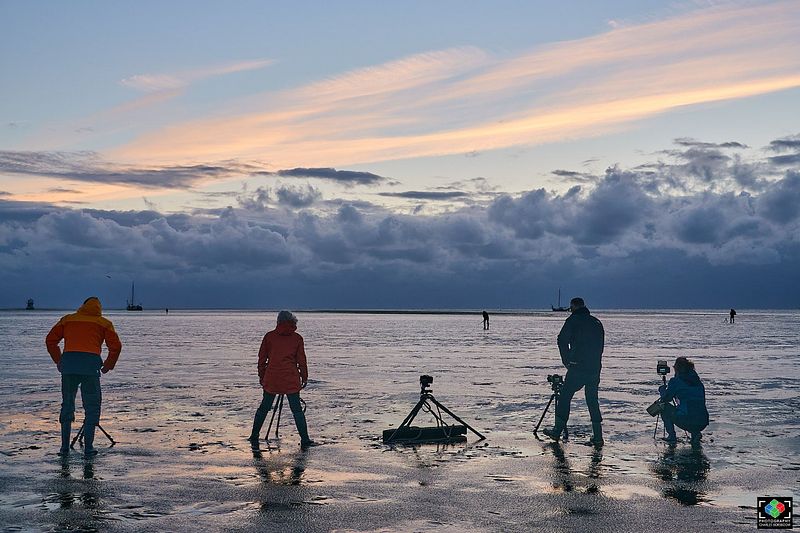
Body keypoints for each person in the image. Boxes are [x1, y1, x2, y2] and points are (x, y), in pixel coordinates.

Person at [45, 297, 122, 457]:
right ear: (99, 308)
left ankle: (64, 448)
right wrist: (108, 365)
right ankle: (88, 448)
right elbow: (116, 347)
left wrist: (59, 360)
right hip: (90, 368)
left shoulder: (68, 320)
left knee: (67, 405)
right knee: (92, 407)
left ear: (82, 306)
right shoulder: (104, 323)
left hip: (69, 367)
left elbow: (50, 341)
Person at [543, 297, 605, 446]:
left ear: (573, 307)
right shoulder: (596, 322)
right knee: (592, 401)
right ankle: (598, 437)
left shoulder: (572, 321)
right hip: (594, 368)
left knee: (565, 397)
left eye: (571, 308)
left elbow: (561, 340)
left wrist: (567, 360)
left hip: (578, 367)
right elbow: (601, 346)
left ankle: (557, 431)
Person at [249, 311, 315, 448]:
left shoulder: (269, 337)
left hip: (272, 378)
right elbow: (301, 361)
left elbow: (262, 359)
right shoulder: (297, 338)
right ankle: (305, 439)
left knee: (264, 407)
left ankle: (254, 435)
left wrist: (262, 376)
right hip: (290, 379)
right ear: (293, 322)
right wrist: (304, 377)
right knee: (297, 410)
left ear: (278, 321)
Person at [659, 356, 709, 444]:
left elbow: (666, 399)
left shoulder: (676, 381)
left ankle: (672, 436)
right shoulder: (698, 382)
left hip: (688, 420)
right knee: (691, 408)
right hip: (703, 421)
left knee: (663, 407)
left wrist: (662, 390)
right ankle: (695, 434)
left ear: (677, 369)